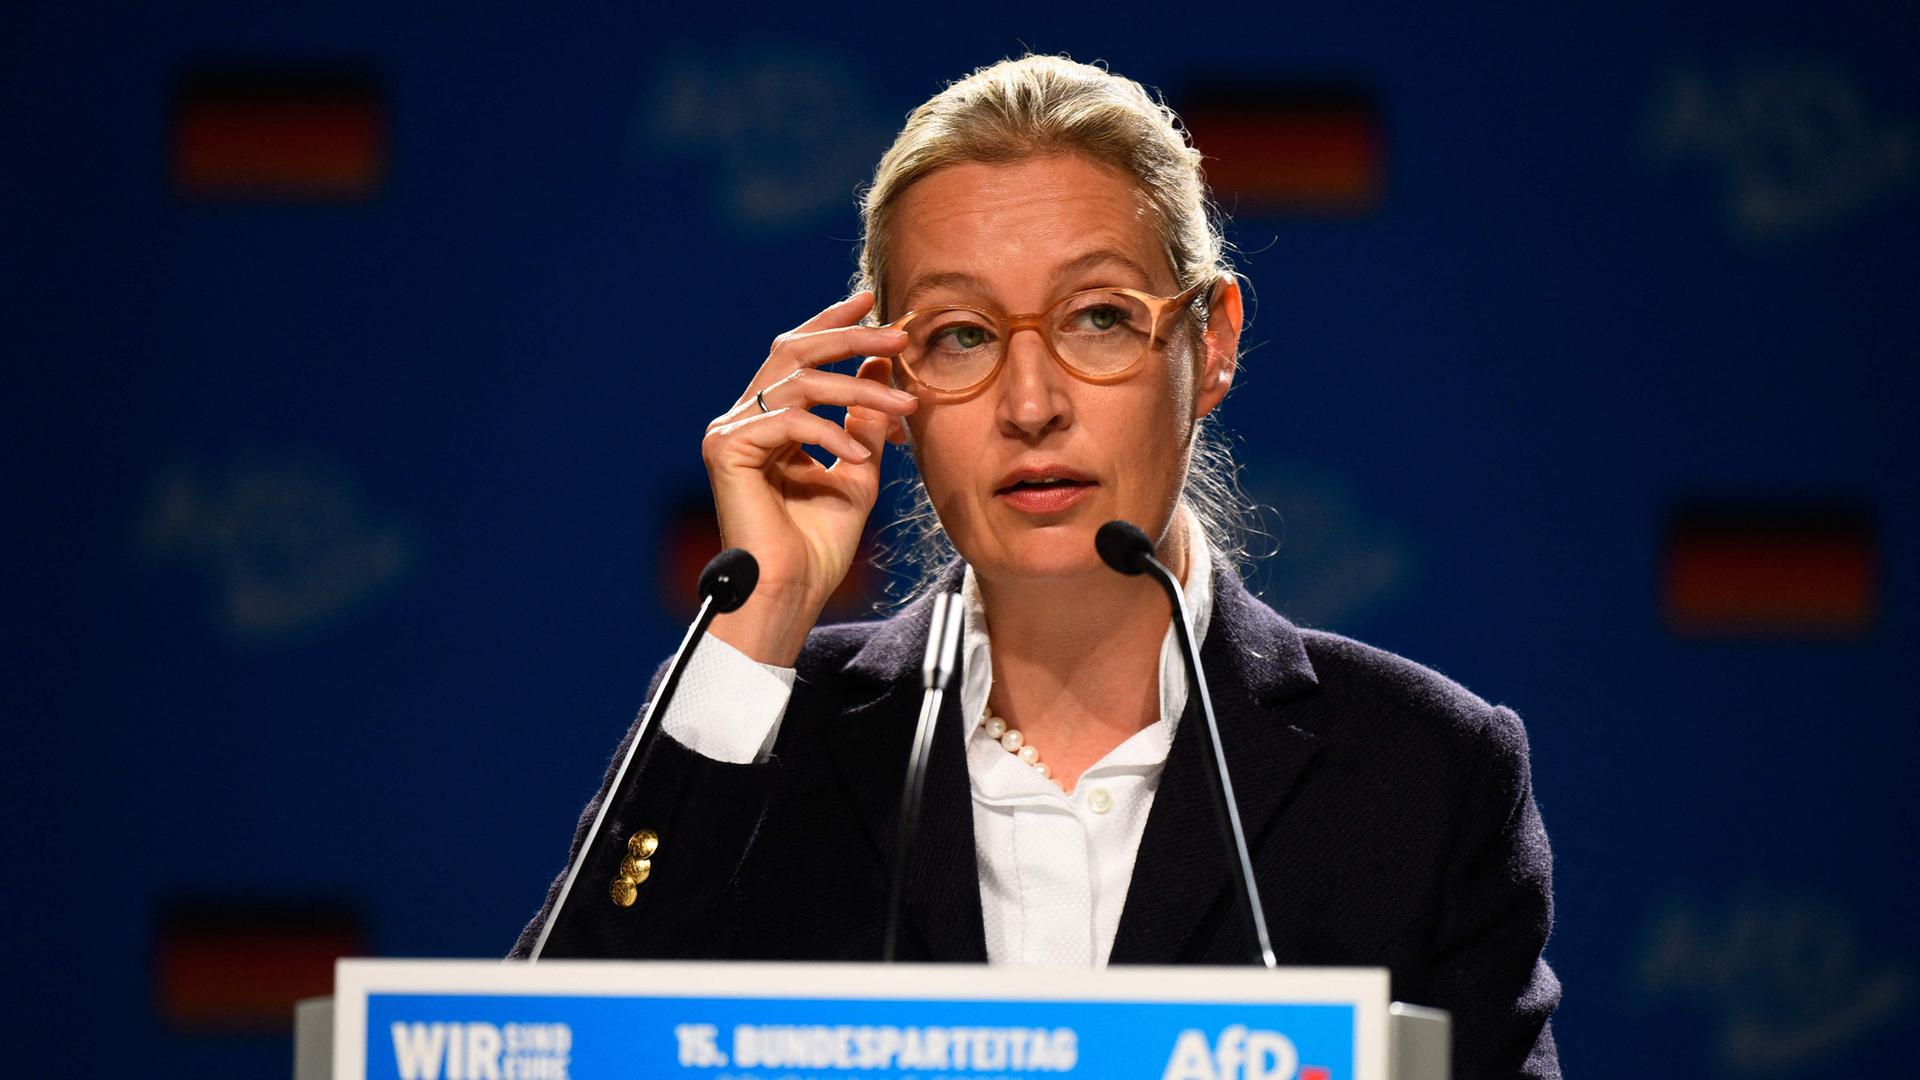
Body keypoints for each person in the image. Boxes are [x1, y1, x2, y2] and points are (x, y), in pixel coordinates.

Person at [514, 55, 1561, 1078]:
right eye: (961, 335)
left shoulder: (1428, 775)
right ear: (888, 380)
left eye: (1098, 318)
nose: (1028, 405)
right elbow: (541, 1057)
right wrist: (762, 622)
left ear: (1214, 341)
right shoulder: (760, 745)